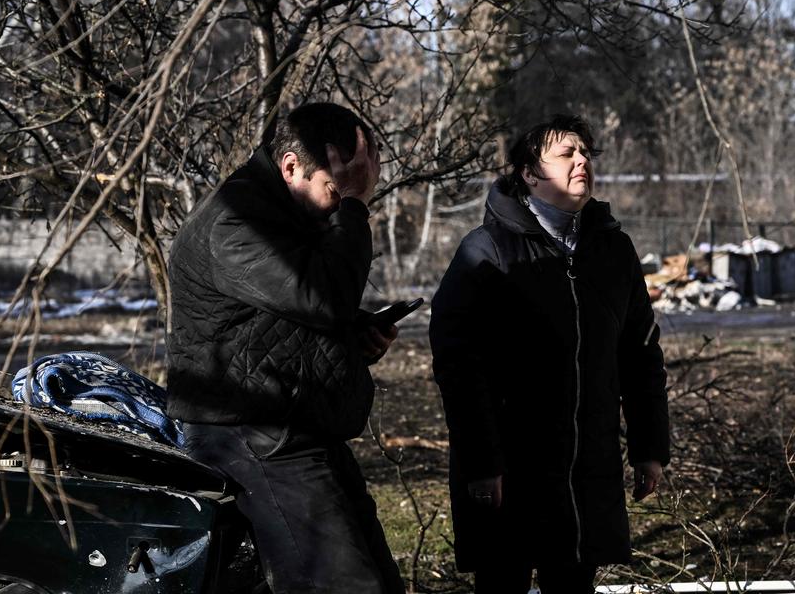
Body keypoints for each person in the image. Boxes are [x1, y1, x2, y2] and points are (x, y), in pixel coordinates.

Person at [166, 102, 404, 594]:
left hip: (290, 423)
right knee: (343, 586)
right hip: (249, 431)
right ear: (291, 167)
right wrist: (357, 205)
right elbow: (323, 297)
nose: (342, 205)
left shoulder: (281, 211)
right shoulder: (233, 223)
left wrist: (355, 338)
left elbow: (284, 317)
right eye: (335, 190)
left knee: (377, 579)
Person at [430, 115, 670, 594]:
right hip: (509, 467)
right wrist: (482, 463)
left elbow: (641, 355)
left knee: (574, 581)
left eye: (585, 154)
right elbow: (457, 362)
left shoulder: (613, 250)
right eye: (565, 154)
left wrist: (649, 450)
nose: (582, 161)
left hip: (586, 465)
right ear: (528, 173)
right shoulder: (488, 250)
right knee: (503, 580)